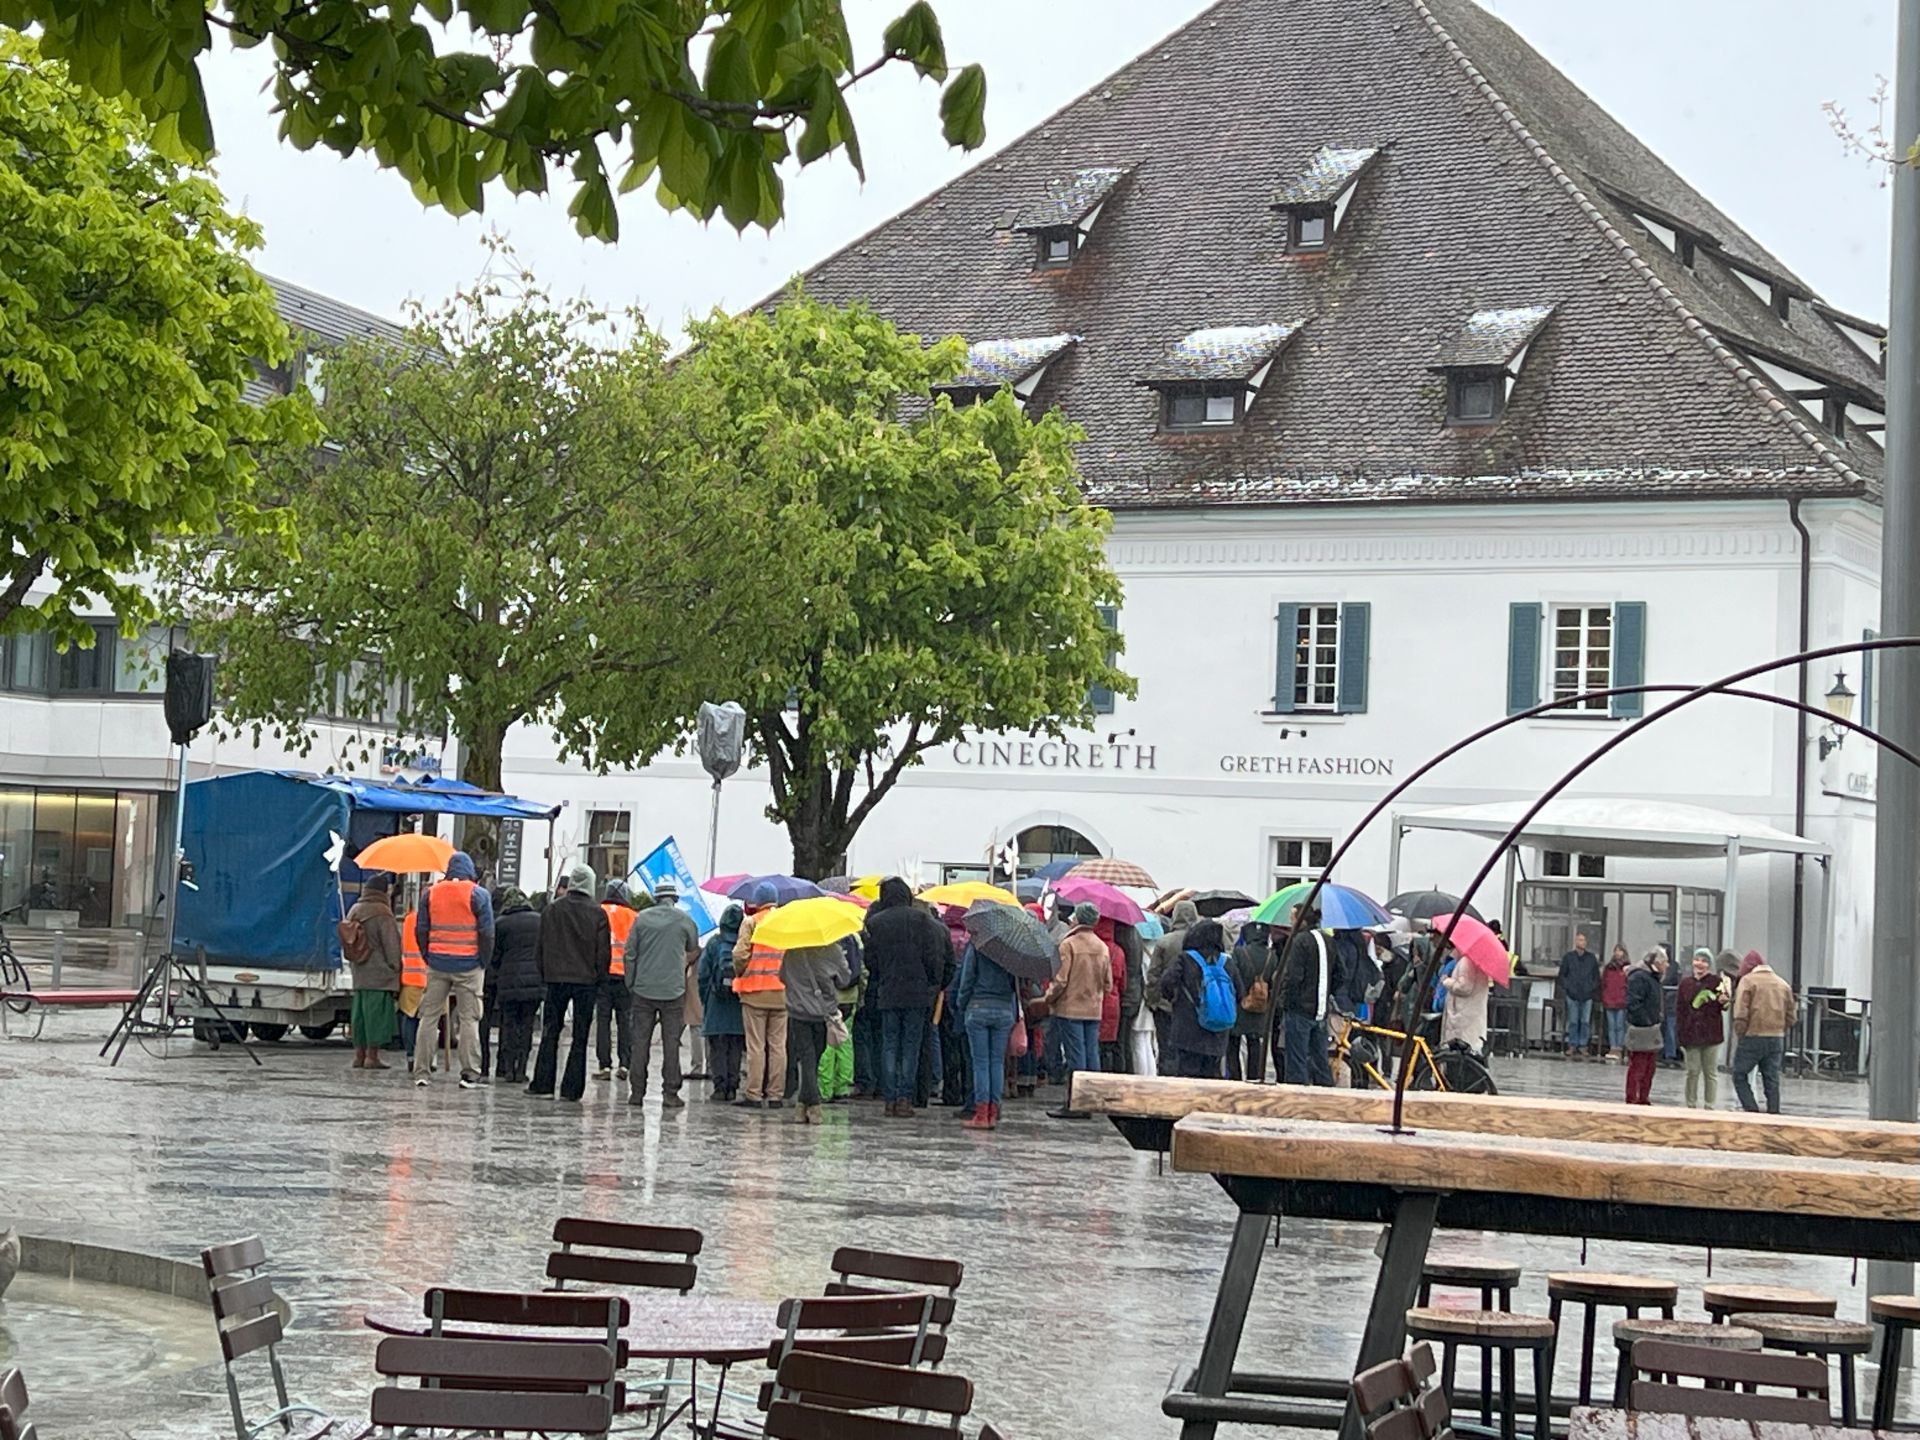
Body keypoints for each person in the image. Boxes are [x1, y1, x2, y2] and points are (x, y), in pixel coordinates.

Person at [863, 877, 953, 1118]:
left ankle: (889, 1098)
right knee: (911, 1046)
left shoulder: (876, 923)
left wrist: (881, 976)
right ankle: (905, 1098)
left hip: (888, 990)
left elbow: (870, 960)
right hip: (917, 992)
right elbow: (933, 957)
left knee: (890, 1044)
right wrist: (932, 983)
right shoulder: (923, 920)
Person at [527, 862, 612, 1102]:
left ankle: (543, 1083)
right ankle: (571, 1089)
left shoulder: (552, 910)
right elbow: (602, 953)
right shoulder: (598, 914)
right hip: (586, 981)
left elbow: (540, 947)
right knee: (580, 1036)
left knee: (551, 1031)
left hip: (555, 979)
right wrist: (599, 980)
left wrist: (544, 973)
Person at [411, 850, 495, 1088]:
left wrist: (428, 956)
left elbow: (421, 929)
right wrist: (483, 961)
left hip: (437, 963)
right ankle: (469, 1072)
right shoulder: (478, 894)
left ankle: (422, 1072)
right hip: (469, 965)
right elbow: (487, 933)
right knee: (469, 1019)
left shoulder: (431, 894)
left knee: (428, 1017)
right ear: (470, 872)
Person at [623, 877, 700, 1109]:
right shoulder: (685, 920)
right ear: (674, 899)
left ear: (655, 899)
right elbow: (692, 946)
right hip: (673, 990)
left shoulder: (641, 919)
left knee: (640, 1042)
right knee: (671, 1043)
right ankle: (670, 1093)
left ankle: (637, 1092)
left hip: (643, 989)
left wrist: (631, 982)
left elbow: (630, 954)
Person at [1043, 902, 1111, 1114]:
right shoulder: (1102, 946)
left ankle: (1075, 1103)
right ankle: (1091, 1100)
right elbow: (1108, 984)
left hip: (1070, 1008)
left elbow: (1061, 980)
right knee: (1092, 1054)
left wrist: (1048, 997)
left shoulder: (1069, 944)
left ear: (1078, 919)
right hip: (1093, 1008)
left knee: (1076, 1056)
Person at [781, 938, 852, 1124]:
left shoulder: (792, 951)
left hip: (797, 1011)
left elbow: (782, 977)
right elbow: (845, 979)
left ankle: (802, 1106)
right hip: (823, 1012)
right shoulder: (833, 950)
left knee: (807, 1059)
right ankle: (814, 1105)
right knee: (815, 1057)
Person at [1158, 917, 1239, 1079]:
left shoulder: (1186, 959)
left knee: (1188, 1076)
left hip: (1187, 1030)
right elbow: (1239, 991)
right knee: (1212, 1076)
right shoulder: (1226, 962)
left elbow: (1167, 981)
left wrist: (1173, 999)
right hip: (1218, 1032)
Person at [731, 883, 788, 1109]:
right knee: (778, 1045)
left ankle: (754, 1093)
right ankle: (775, 1094)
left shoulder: (751, 922)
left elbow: (740, 954)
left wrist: (740, 971)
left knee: (756, 1046)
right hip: (782, 993)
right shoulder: (786, 923)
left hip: (754, 992)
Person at [955, 938, 1019, 1130]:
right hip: (1004, 1009)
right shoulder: (1012, 950)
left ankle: (981, 1114)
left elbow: (967, 978)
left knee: (980, 1063)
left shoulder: (977, 945)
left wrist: (961, 1003)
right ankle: (993, 1112)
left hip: (978, 1006)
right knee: (997, 1062)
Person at [344, 873, 401, 1070]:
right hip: (379, 973)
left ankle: (358, 1056)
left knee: (359, 1016)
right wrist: (395, 967)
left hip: (359, 971)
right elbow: (391, 945)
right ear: (384, 891)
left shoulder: (354, 909)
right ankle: (372, 1056)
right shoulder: (382, 912)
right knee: (376, 1016)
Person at [1279, 907, 1340, 1086]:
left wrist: (1285, 1000)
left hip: (1299, 1009)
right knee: (1320, 1058)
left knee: (1297, 1059)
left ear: (1300, 919)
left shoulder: (1299, 941)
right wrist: (1327, 991)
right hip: (1321, 1009)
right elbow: (1340, 974)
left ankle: (1298, 1098)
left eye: (1292, 917)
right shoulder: (1329, 940)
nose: (1290, 922)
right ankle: (1325, 1095)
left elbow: (1293, 976)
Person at [1730, 949, 1797, 1114]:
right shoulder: (1783, 984)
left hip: (1752, 1036)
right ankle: (1774, 1113)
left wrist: (1741, 1033)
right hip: (1776, 1037)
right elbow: (1792, 1017)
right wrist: (1780, 1028)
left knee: (1739, 1074)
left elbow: (1740, 1013)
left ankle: (1752, 1110)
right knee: (1771, 1078)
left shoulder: (1748, 981)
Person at [489, 885, 543, 1084]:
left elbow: (495, 956)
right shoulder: (538, 921)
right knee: (527, 1025)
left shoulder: (501, 923)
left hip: (508, 982)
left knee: (509, 1025)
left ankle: (508, 1068)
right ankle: (522, 1068)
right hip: (533, 983)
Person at [1146, 898, 1200, 1075]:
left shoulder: (1165, 941)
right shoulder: (1200, 942)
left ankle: (1166, 1081)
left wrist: (1153, 1000)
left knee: (1167, 1048)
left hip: (1165, 1005)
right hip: (1192, 1005)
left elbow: (1154, 973)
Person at [698, 904, 746, 1100]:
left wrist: (706, 999)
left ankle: (719, 1087)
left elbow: (702, 975)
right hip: (738, 1002)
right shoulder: (745, 943)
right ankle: (733, 1086)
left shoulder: (714, 943)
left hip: (716, 1002)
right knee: (735, 1046)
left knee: (717, 1046)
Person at [1676, 947, 1731, 1109]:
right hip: (1690, 1034)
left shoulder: (1716, 982)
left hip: (1711, 1034)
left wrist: (1724, 1001)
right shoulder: (1685, 984)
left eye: (1704, 961)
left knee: (1710, 1073)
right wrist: (1679, 1034)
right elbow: (1680, 1010)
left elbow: (1725, 1005)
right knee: (1692, 1072)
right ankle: (1690, 1104)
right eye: (1697, 959)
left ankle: (1709, 1105)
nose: (1700, 964)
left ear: (1709, 965)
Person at [594, 881, 638, 1081]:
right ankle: (625, 1063)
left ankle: (604, 1065)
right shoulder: (633, 916)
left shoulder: (599, 911)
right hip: (625, 976)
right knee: (624, 1021)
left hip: (603, 975)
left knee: (603, 1021)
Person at [1226, 922, 1277, 1081]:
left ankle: (1235, 1076)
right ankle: (1254, 1076)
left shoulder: (1240, 952)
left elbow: (1232, 976)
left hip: (1240, 1003)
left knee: (1233, 1042)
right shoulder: (1272, 955)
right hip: (1261, 1004)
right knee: (1255, 1042)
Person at [819, 935, 863, 1105]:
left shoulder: (823, 939)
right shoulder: (854, 937)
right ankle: (843, 1087)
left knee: (828, 1043)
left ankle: (825, 1088)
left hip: (830, 997)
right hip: (849, 997)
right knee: (845, 1040)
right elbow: (861, 969)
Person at [1623, 948, 1667, 1105]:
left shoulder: (1653, 978)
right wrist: (1646, 1021)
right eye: (1664, 962)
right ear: (1656, 963)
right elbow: (1633, 1004)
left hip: (1652, 1028)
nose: (1666, 965)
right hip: (1641, 1028)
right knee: (1638, 1066)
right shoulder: (1639, 977)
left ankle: (1643, 1097)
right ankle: (1632, 1097)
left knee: (1649, 1068)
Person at [1440, 951, 1491, 1055]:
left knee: (1459, 1053)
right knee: (1471, 1051)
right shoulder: (1477, 962)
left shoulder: (1467, 962)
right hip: (1472, 1016)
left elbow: (1464, 987)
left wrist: (1447, 981)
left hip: (1462, 1017)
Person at [1559, 931, 1600, 1058]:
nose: (1581, 942)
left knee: (1585, 1021)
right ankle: (1572, 1045)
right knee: (1573, 1021)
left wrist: (1590, 988)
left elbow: (1596, 977)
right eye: (1579, 940)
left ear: (1586, 942)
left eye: (1583, 940)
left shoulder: (1591, 958)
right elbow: (1562, 975)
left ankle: (1583, 1046)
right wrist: (1569, 987)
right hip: (1572, 995)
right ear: (1575, 941)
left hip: (1587, 995)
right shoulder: (1568, 957)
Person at [1095, 913, 1127, 1073]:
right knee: (1109, 1043)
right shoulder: (1119, 951)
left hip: (1096, 998)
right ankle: (1111, 1072)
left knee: (1095, 1042)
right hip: (1114, 999)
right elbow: (1123, 981)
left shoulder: (1095, 947)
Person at [397, 904, 427, 1066]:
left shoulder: (409, 919)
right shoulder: (433, 919)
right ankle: (426, 1057)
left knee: (409, 1017)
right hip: (429, 977)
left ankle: (410, 1055)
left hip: (409, 976)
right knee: (429, 1021)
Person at [1599, 943, 1631, 1061]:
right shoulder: (1609, 968)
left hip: (1621, 1001)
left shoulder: (1627, 967)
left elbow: (1629, 984)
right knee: (1611, 1026)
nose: (1617, 953)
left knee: (1620, 1025)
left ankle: (1619, 1048)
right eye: (1616, 950)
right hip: (1609, 1000)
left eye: (1620, 951)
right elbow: (1604, 983)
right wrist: (1605, 996)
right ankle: (1613, 1047)